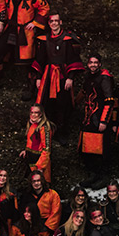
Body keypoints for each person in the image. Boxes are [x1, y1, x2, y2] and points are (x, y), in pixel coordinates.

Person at [0, 0, 50, 100]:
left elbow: (45, 8)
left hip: (25, 30)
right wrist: (1, 21)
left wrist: (35, 23)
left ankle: (29, 87)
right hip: (10, 27)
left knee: (28, 60)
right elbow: (2, 5)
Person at [33, 13, 84, 143]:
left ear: (60, 22)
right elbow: (40, 59)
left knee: (63, 103)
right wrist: (38, 78)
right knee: (48, 103)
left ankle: (62, 132)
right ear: (48, 23)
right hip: (48, 75)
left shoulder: (68, 39)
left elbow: (73, 58)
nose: (54, 23)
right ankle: (49, 132)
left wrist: (70, 78)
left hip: (62, 75)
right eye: (52, 21)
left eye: (56, 21)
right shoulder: (44, 39)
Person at [78, 54, 116, 190]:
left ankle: (104, 177)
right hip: (89, 118)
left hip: (100, 119)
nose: (93, 65)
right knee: (88, 149)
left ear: (100, 64)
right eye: (91, 62)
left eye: (96, 62)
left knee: (102, 150)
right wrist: (73, 103)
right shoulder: (88, 76)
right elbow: (84, 92)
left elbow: (109, 101)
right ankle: (93, 175)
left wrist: (104, 121)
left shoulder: (105, 78)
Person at [19, 106, 54, 183]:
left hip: (39, 160)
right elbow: (32, 141)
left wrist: (40, 167)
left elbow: (47, 149)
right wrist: (26, 150)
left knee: (40, 182)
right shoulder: (32, 124)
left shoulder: (44, 128)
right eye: (32, 112)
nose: (33, 115)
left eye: (36, 113)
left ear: (41, 114)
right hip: (31, 158)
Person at [27, 170, 62, 234]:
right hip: (31, 226)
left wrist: (47, 228)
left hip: (46, 227)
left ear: (42, 181)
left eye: (38, 181)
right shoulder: (27, 195)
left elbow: (56, 212)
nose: (36, 183)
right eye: (34, 181)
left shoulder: (53, 194)